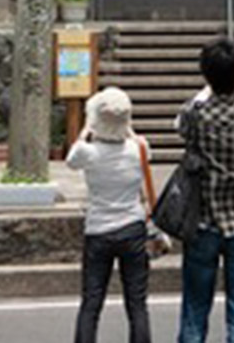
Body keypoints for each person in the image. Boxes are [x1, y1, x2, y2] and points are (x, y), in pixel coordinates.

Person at [176, 38, 234, 343]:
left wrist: (210, 84)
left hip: (202, 221)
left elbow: (180, 120)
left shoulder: (196, 115)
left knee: (195, 305)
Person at [67, 87, 153, 343]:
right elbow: (138, 143)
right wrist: (127, 128)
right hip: (133, 228)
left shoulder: (88, 152)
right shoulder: (139, 148)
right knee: (137, 304)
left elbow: (71, 159)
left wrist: (86, 128)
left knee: (91, 304)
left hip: (98, 231)